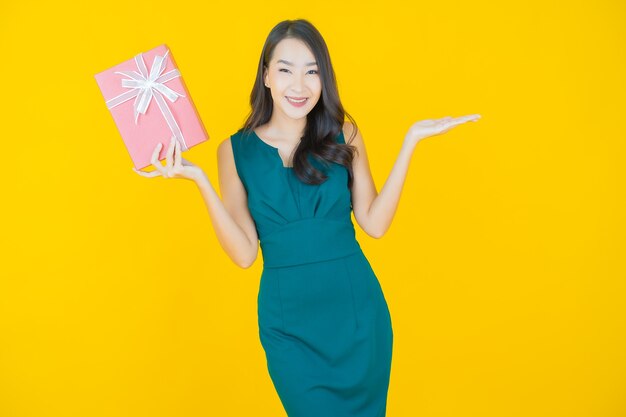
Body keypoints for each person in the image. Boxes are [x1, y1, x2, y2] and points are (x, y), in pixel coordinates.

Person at [134, 18, 480, 417]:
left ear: (324, 79)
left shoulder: (345, 135)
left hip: (356, 317)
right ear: (266, 76)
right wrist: (198, 180)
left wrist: (410, 143)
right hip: (289, 325)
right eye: (285, 70)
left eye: (312, 71)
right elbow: (245, 254)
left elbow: (375, 224)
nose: (299, 85)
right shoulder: (234, 152)